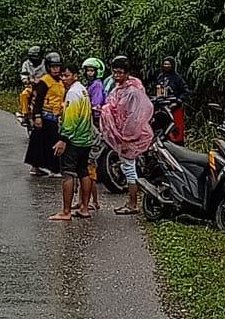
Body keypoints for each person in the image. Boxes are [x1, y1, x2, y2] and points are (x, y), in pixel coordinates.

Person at [99, 55, 154, 215]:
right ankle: (131, 201)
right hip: (121, 133)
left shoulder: (132, 92)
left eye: (120, 73)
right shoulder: (120, 89)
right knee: (127, 167)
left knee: (129, 169)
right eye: (115, 72)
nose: (117, 76)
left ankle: (132, 203)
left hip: (129, 136)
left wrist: (125, 138)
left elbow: (133, 117)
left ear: (127, 73)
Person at [50, 65, 95, 221]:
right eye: (62, 75)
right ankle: (84, 207)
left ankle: (66, 211)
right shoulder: (83, 90)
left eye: (67, 75)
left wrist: (63, 139)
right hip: (86, 139)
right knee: (83, 171)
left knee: (68, 173)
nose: (63, 78)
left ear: (75, 76)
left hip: (74, 139)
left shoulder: (72, 94)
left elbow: (70, 119)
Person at [23, 53, 65, 175]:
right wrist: (37, 116)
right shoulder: (45, 81)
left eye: (58, 66)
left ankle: (45, 167)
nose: (56, 69)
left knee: (45, 142)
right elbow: (38, 100)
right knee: (43, 142)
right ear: (48, 67)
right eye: (53, 67)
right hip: (45, 115)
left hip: (56, 116)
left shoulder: (61, 81)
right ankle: (50, 168)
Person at [81, 58, 106, 212]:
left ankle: (92, 202)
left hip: (95, 125)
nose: (89, 73)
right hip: (89, 123)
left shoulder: (96, 85)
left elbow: (95, 106)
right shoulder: (89, 85)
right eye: (87, 70)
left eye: (92, 70)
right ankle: (90, 201)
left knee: (89, 167)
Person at [152, 55, 189, 143]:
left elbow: (185, 91)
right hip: (162, 108)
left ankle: (178, 146)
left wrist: (178, 101)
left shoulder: (177, 78)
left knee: (176, 129)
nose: (166, 66)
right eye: (164, 64)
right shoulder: (160, 77)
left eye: (168, 64)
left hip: (175, 107)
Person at [17, 45, 45, 125]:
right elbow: (23, 75)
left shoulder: (45, 64)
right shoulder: (26, 63)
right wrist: (26, 80)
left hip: (44, 86)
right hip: (31, 86)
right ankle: (25, 115)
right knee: (24, 95)